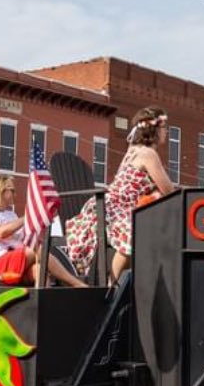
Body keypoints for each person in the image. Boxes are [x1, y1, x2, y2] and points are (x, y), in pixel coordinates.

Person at [66, 106, 176, 284]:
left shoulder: (133, 150)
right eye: (164, 127)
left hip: (108, 206)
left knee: (143, 226)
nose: (166, 132)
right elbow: (169, 191)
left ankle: (130, 281)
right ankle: (112, 284)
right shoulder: (148, 154)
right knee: (136, 230)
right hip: (117, 208)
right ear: (154, 130)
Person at [0, 173, 85, 287]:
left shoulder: (10, 214)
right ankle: (76, 284)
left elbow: (26, 236)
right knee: (38, 250)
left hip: (15, 263)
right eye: (11, 190)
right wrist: (28, 217)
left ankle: (44, 302)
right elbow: (0, 232)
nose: (14, 194)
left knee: (39, 270)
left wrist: (44, 218)